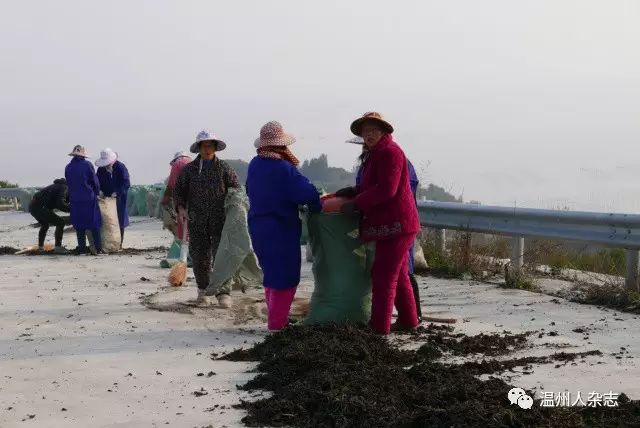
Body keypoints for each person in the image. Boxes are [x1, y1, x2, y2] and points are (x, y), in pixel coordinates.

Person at [339, 112, 420, 335]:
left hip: (397, 225)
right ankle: (409, 320)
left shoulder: (390, 152)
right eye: (366, 132)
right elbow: (375, 184)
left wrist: (357, 203)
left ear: (383, 132)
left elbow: (387, 189)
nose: (369, 135)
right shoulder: (375, 154)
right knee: (399, 274)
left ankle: (379, 328)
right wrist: (355, 191)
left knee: (383, 276)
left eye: (374, 130)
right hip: (392, 225)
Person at [246, 121, 321, 331]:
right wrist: (317, 203)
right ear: (281, 146)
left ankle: (276, 318)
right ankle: (277, 324)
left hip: (257, 226)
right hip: (279, 228)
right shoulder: (283, 169)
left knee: (270, 272)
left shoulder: (254, 164)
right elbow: (306, 193)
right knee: (285, 275)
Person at [174, 130, 239, 307]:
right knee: (200, 257)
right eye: (204, 145)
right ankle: (202, 292)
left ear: (215, 147)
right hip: (197, 218)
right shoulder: (189, 170)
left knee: (222, 255)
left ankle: (223, 292)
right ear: (199, 148)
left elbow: (235, 188)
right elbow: (179, 191)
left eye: (210, 145)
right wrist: (180, 208)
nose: (208, 148)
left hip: (221, 218)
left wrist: (235, 206)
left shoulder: (224, 168)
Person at [64, 145, 102, 255]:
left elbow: (69, 183)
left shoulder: (68, 167)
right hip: (88, 199)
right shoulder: (87, 165)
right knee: (94, 224)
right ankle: (98, 249)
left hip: (75, 200)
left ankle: (82, 249)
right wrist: (97, 192)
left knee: (79, 225)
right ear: (83, 155)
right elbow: (95, 182)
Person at [96, 148, 130, 247]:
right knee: (108, 220)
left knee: (120, 219)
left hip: (119, 198)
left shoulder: (120, 167)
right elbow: (97, 181)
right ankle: (107, 242)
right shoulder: (101, 169)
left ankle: (119, 244)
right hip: (106, 198)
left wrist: (118, 192)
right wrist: (100, 191)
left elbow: (126, 183)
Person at [28, 178, 70, 254]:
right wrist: (72, 210)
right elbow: (60, 204)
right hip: (41, 207)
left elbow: (56, 202)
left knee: (45, 225)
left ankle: (40, 247)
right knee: (60, 222)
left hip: (32, 207)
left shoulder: (54, 186)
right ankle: (58, 248)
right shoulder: (65, 187)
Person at [161, 151, 191, 239]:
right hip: (196, 197)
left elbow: (171, 185)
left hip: (182, 199)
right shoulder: (194, 164)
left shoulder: (176, 165)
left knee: (182, 220)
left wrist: (165, 199)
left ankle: (184, 242)